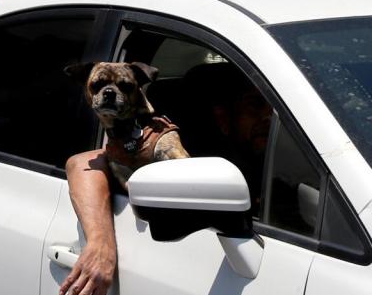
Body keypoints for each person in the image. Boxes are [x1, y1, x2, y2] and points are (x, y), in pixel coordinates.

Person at [60, 64, 272, 295]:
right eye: (255, 106)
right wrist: (101, 246)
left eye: (274, 109)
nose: (269, 117)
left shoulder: (281, 160)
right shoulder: (147, 145)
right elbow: (81, 163)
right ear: (221, 116)